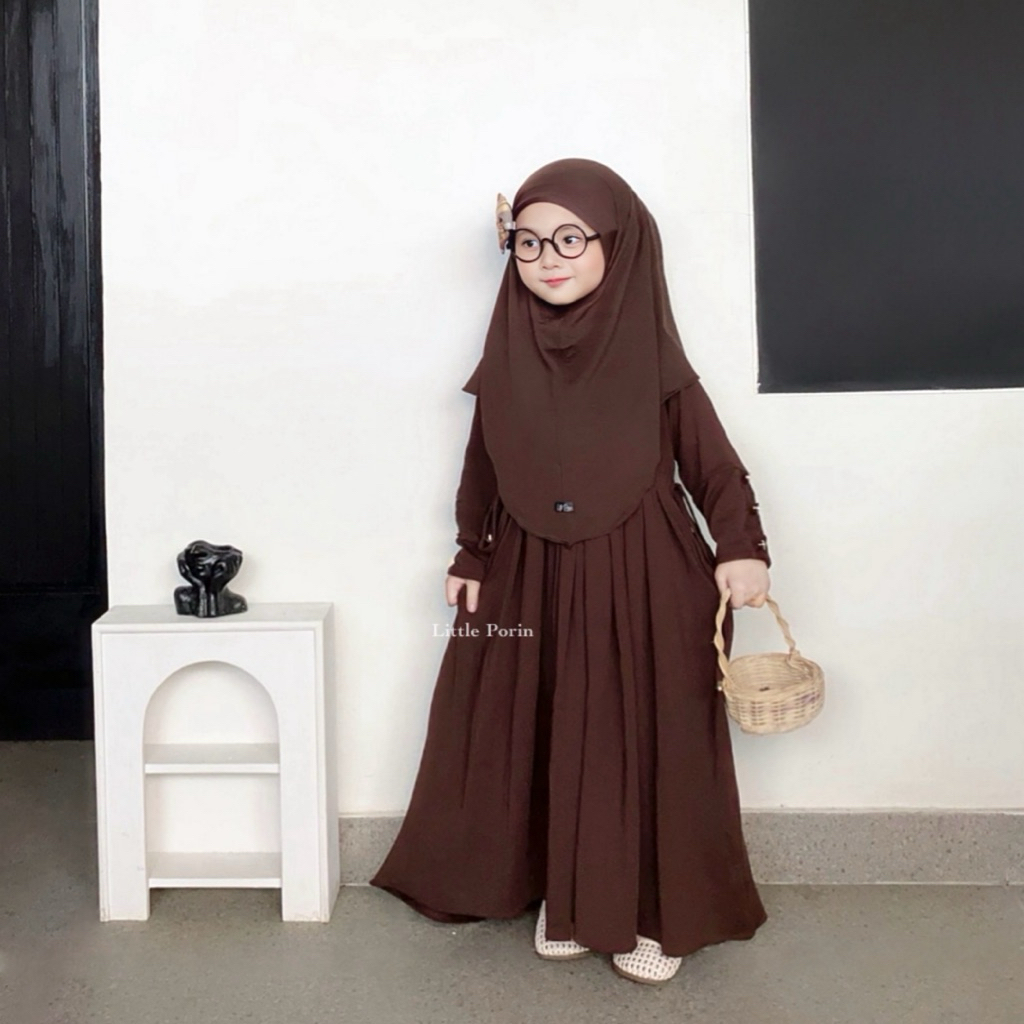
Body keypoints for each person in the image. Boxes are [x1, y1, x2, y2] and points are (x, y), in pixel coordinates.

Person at [370, 158, 771, 986]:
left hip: (643, 570)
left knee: (642, 731)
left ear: (617, 246)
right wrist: (471, 551)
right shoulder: (509, 352)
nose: (546, 258)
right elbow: (484, 462)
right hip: (532, 569)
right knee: (546, 720)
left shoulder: (651, 356)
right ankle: (569, 896)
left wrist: (740, 546)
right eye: (527, 242)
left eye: (569, 239)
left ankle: (651, 914)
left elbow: (713, 464)